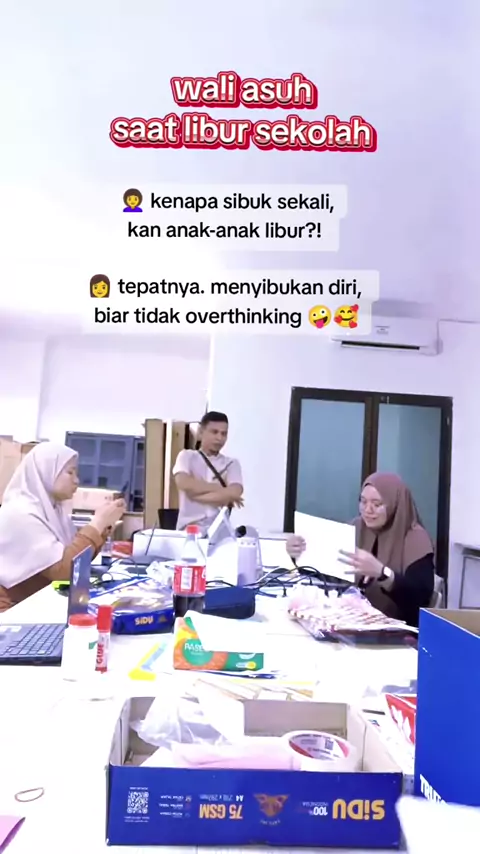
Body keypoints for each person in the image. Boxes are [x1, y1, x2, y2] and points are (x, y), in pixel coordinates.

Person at [286, 472, 435, 627]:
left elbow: (419, 599)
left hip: (398, 630)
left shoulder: (416, 538)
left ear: (395, 504)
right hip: (351, 621)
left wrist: (382, 573)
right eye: (363, 502)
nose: (368, 510)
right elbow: (329, 576)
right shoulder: (356, 527)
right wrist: (299, 553)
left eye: (377, 504)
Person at [0, 442, 125, 612]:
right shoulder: (21, 514)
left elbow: (77, 559)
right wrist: (97, 524)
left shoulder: (53, 511)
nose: (76, 480)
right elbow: (63, 570)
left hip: (34, 603)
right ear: (46, 471)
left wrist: (102, 529)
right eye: (70, 472)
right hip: (11, 611)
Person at [173, 411, 243, 533]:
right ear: (201, 432)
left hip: (220, 532)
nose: (219, 438)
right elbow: (183, 483)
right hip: (189, 530)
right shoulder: (186, 456)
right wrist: (220, 489)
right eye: (214, 432)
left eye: (224, 433)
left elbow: (235, 492)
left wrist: (194, 495)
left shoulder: (231, 463)